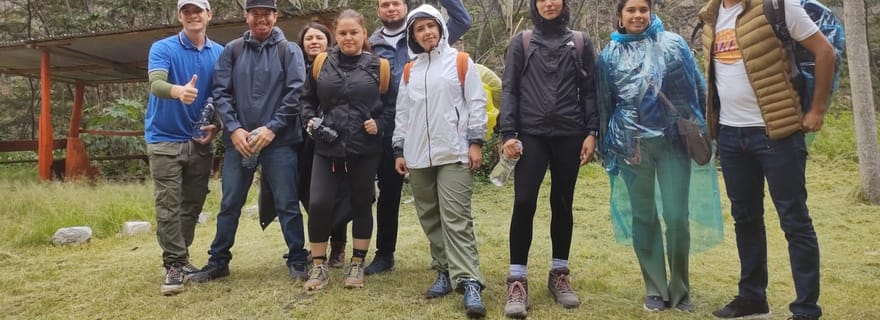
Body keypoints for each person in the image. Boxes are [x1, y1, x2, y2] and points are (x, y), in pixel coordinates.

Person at [698, 0, 835, 319]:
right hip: (731, 135)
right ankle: (752, 298)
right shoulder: (710, 16)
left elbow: (825, 52)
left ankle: (805, 309)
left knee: (794, 219)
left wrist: (817, 110)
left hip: (777, 132)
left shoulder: (778, 7)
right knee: (745, 218)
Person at [596, 0, 723, 312]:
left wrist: (706, 128)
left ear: (650, 12)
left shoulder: (673, 45)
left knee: (677, 217)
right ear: (620, 17)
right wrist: (613, 148)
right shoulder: (608, 56)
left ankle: (681, 290)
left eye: (643, 9)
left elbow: (696, 88)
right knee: (644, 217)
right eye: (631, 10)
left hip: (673, 144)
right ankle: (655, 288)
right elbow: (604, 106)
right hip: (633, 147)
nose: (638, 15)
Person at [189, 0, 311, 283]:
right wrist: (233, 129)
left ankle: (297, 258)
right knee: (230, 203)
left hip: (278, 142)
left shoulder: (288, 50)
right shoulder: (233, 50)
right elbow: (221, 92)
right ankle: (218, 261)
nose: (261, 19)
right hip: (239, 141)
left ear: (275, 16)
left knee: (287, 203)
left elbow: (296, 93)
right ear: (246, 17)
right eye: (255, 13)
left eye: (266, 14)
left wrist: (272, 129)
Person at [497, 0, 598, 317]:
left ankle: (559, 273)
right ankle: (517, 280)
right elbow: (510, 88)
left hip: (570, 132)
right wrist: (508, 133)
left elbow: (591, 90)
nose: (549, 3)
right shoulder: (522, 41)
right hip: (530, 133)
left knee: (563, 201)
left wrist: (592, 131)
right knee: (524, 201)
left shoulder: (580, 41)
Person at [392, 5, 488, 317]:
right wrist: (399, 149)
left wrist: (475, 142)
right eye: (419, 29)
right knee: (430, 216)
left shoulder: (460, 61)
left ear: (440, 28)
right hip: (418, 156)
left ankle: (469, 280)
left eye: (430, 26)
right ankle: (444, 271)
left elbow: (476, 103)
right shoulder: (410, 70)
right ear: (412, 36)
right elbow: (403, 114)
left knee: (456, 217)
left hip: (455, 152)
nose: (426, 33)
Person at [365, 0, 472, 275]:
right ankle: (385, 254)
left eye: (396, 3)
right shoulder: (371, 43)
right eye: (384, 4)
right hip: (388, 126)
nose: (391, 8)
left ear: (405, 6)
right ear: (378, 10)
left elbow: (462, 21)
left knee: (443, 204)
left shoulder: (421, 31)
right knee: (387, 194)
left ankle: (452, 263)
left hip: (434, 128)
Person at [300, 9, 394, 291]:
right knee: (318, 204)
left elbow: (391, 106)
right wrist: (311, 122)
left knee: (361, 203)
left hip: (364, 149)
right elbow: (306, 100)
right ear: (335, 35)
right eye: (342, 33)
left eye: (354, 32)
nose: (348, 37)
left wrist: (379, 123)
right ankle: (318, 266)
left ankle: (357, 262)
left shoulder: (380, 66)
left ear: (364, 34)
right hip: (326, 147)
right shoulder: (321, 63)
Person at [145, 0, 223, 296]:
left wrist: (217, 125)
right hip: (164, 138)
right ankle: (174, 264)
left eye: (198, 10)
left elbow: (222, 96)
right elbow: (156, 84)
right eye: (186, 11)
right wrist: (178, 91)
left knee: (192, 203)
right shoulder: (163, 48)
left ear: (208, 15)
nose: (193, 15)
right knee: (168, 204)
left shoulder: (220, 53)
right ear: (180, 16)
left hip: (199, 140)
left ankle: (182, 255)